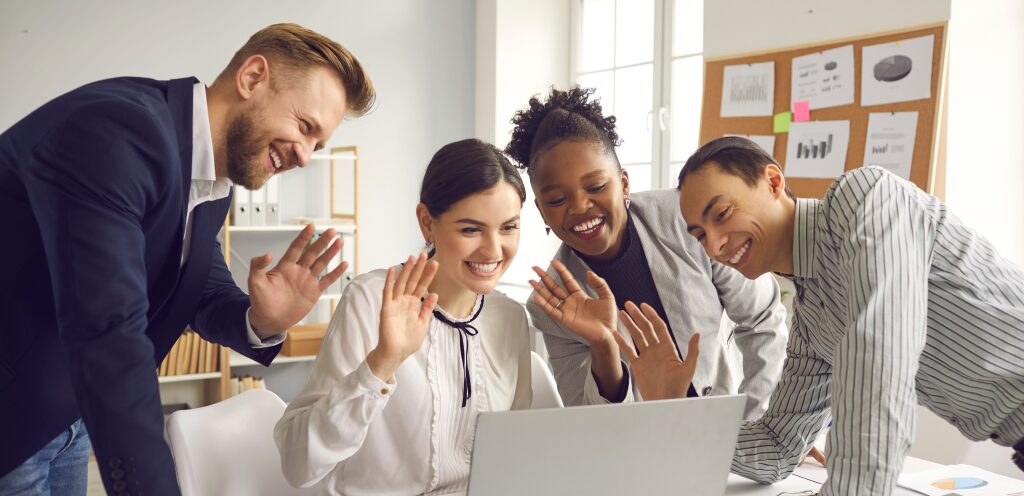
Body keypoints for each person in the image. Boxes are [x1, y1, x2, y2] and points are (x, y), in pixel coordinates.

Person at [0, 23, 374, 495]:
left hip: (64, 416)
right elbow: (108, 334)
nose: (306, 157)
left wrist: (260, 318)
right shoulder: (119, 133)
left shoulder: (210, 180)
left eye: (318, 145)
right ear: (253, 77)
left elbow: (193, 286)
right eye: (305, 127)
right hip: (12, 417)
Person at [674, 136, 1024, 494]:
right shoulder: (812, 320)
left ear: (773, 182)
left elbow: (880, 363)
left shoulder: (865, 198)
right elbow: (776, 446)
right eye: (700, 236)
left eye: (721, 215)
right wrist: (675, 420)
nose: (715, 245)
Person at [504, 87, 787, 417]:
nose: (580, 207)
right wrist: (603, 346)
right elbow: (589, 423)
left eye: (596, 187)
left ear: (624, 184)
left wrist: (761, 427)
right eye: (556, 200)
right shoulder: (552, 305)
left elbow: (762, 319)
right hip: (641, 451)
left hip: (728, 429)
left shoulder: (688, 219)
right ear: (541, 211)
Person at [275, 139, 536, 494]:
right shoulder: (370, 300)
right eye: (471, 229)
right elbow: (299, 465)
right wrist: (383, 362)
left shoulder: (509, 317)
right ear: (427, 223)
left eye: (508, 227)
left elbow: (516, 451)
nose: (493, 250)